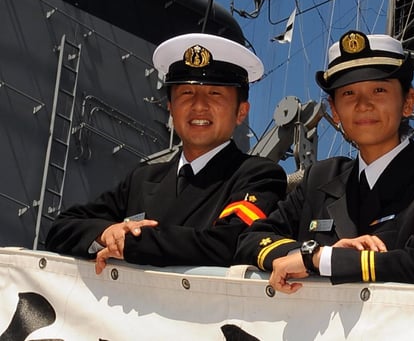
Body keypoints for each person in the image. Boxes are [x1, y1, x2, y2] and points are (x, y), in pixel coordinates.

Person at [234, 30, 414, 293]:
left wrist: (321, 260)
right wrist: (307, 252)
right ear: (335, 111)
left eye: (379, 90)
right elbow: (250, 240)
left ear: (408, 102)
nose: (363, 105)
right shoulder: (320, 180)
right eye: (348, 94)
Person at [45, 33, 287, 274]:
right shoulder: (143, 179)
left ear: (241, 112)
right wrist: (107, 233)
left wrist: (134, 241)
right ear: (170, 107)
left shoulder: (258, 176)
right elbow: (62, 228)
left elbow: (232, 241)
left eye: (215, 94)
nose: (199, 106)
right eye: (186, 94)